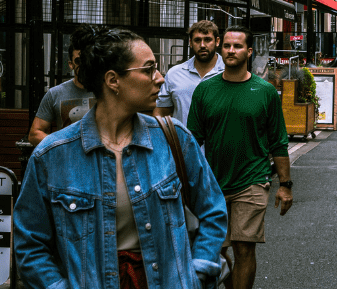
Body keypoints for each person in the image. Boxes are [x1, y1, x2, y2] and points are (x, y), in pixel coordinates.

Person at [14, 28, 227, 289]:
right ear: (113, 80)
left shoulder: (174, 138)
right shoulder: (53, 155)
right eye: (148, 69)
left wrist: (197, 271)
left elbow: (213, 210)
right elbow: (30, 244)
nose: (159, 79)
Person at [189, 28, 292, 289]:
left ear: (249, 51)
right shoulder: (204, 91)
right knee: (217, 250)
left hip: (253, 181)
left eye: (237, 46)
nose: (231, 50)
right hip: (214, 184)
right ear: (220, 49)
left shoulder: (265, 91)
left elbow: (278, 140)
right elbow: (192, 141)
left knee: (244, 249)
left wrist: (285, 185)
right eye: (226, 46)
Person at [28, 25, 97, 146]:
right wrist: (63, 146)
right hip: (68, 161)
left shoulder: (107, 90)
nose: (84, 64)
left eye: (88, 59)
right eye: (79, 60)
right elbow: (34, 134)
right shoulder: (55, 94)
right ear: (71, 64)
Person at [154, 19, 225, 128]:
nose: (202, 45)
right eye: (197, 40)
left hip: (217, 144)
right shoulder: (174, 74)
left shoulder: (228, 72)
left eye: (207, 40)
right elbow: (160, 113)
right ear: (190, 43)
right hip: (182, 144)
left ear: (217, 41)